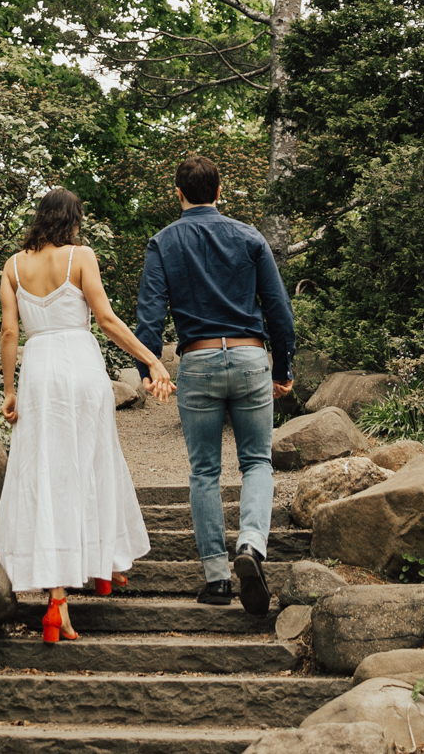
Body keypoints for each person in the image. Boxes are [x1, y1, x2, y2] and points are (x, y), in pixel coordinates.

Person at [0, 187, 175, 644]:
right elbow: (108, 319)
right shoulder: (81, 256)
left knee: (46, 474)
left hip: (38, 372)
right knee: (92, 462)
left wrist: (10, 390)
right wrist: (151, 360)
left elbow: (10, 330)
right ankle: (104, 562)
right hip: (80, 366)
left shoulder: (13, 267)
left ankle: (57, 597)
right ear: (72, 220)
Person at [132, 154, 297, 615]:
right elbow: (279, 310)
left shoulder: (163, 242)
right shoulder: (249, 237)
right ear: (220, 191)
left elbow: (150, 314)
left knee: (204, 470)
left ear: (178, 193)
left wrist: (149, 371)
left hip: (198, 359)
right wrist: (282, 368)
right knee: (257, 461)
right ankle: (250, 544)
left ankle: (217, 579)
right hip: (248, 356)